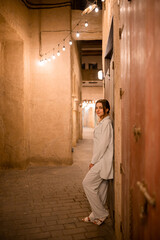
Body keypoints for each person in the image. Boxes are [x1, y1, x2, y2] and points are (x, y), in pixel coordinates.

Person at [82, 99, 113, 226]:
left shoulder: (106, 124)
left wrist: (93, 162)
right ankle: (95, 215)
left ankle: (101, 213)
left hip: (102, 160)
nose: (98, 110)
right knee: (101, 189)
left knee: (87, 184)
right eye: (96, 108)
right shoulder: (102, 122)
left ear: (106, 109)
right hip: (101, 159)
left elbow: (103, 145)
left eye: (100, 107)